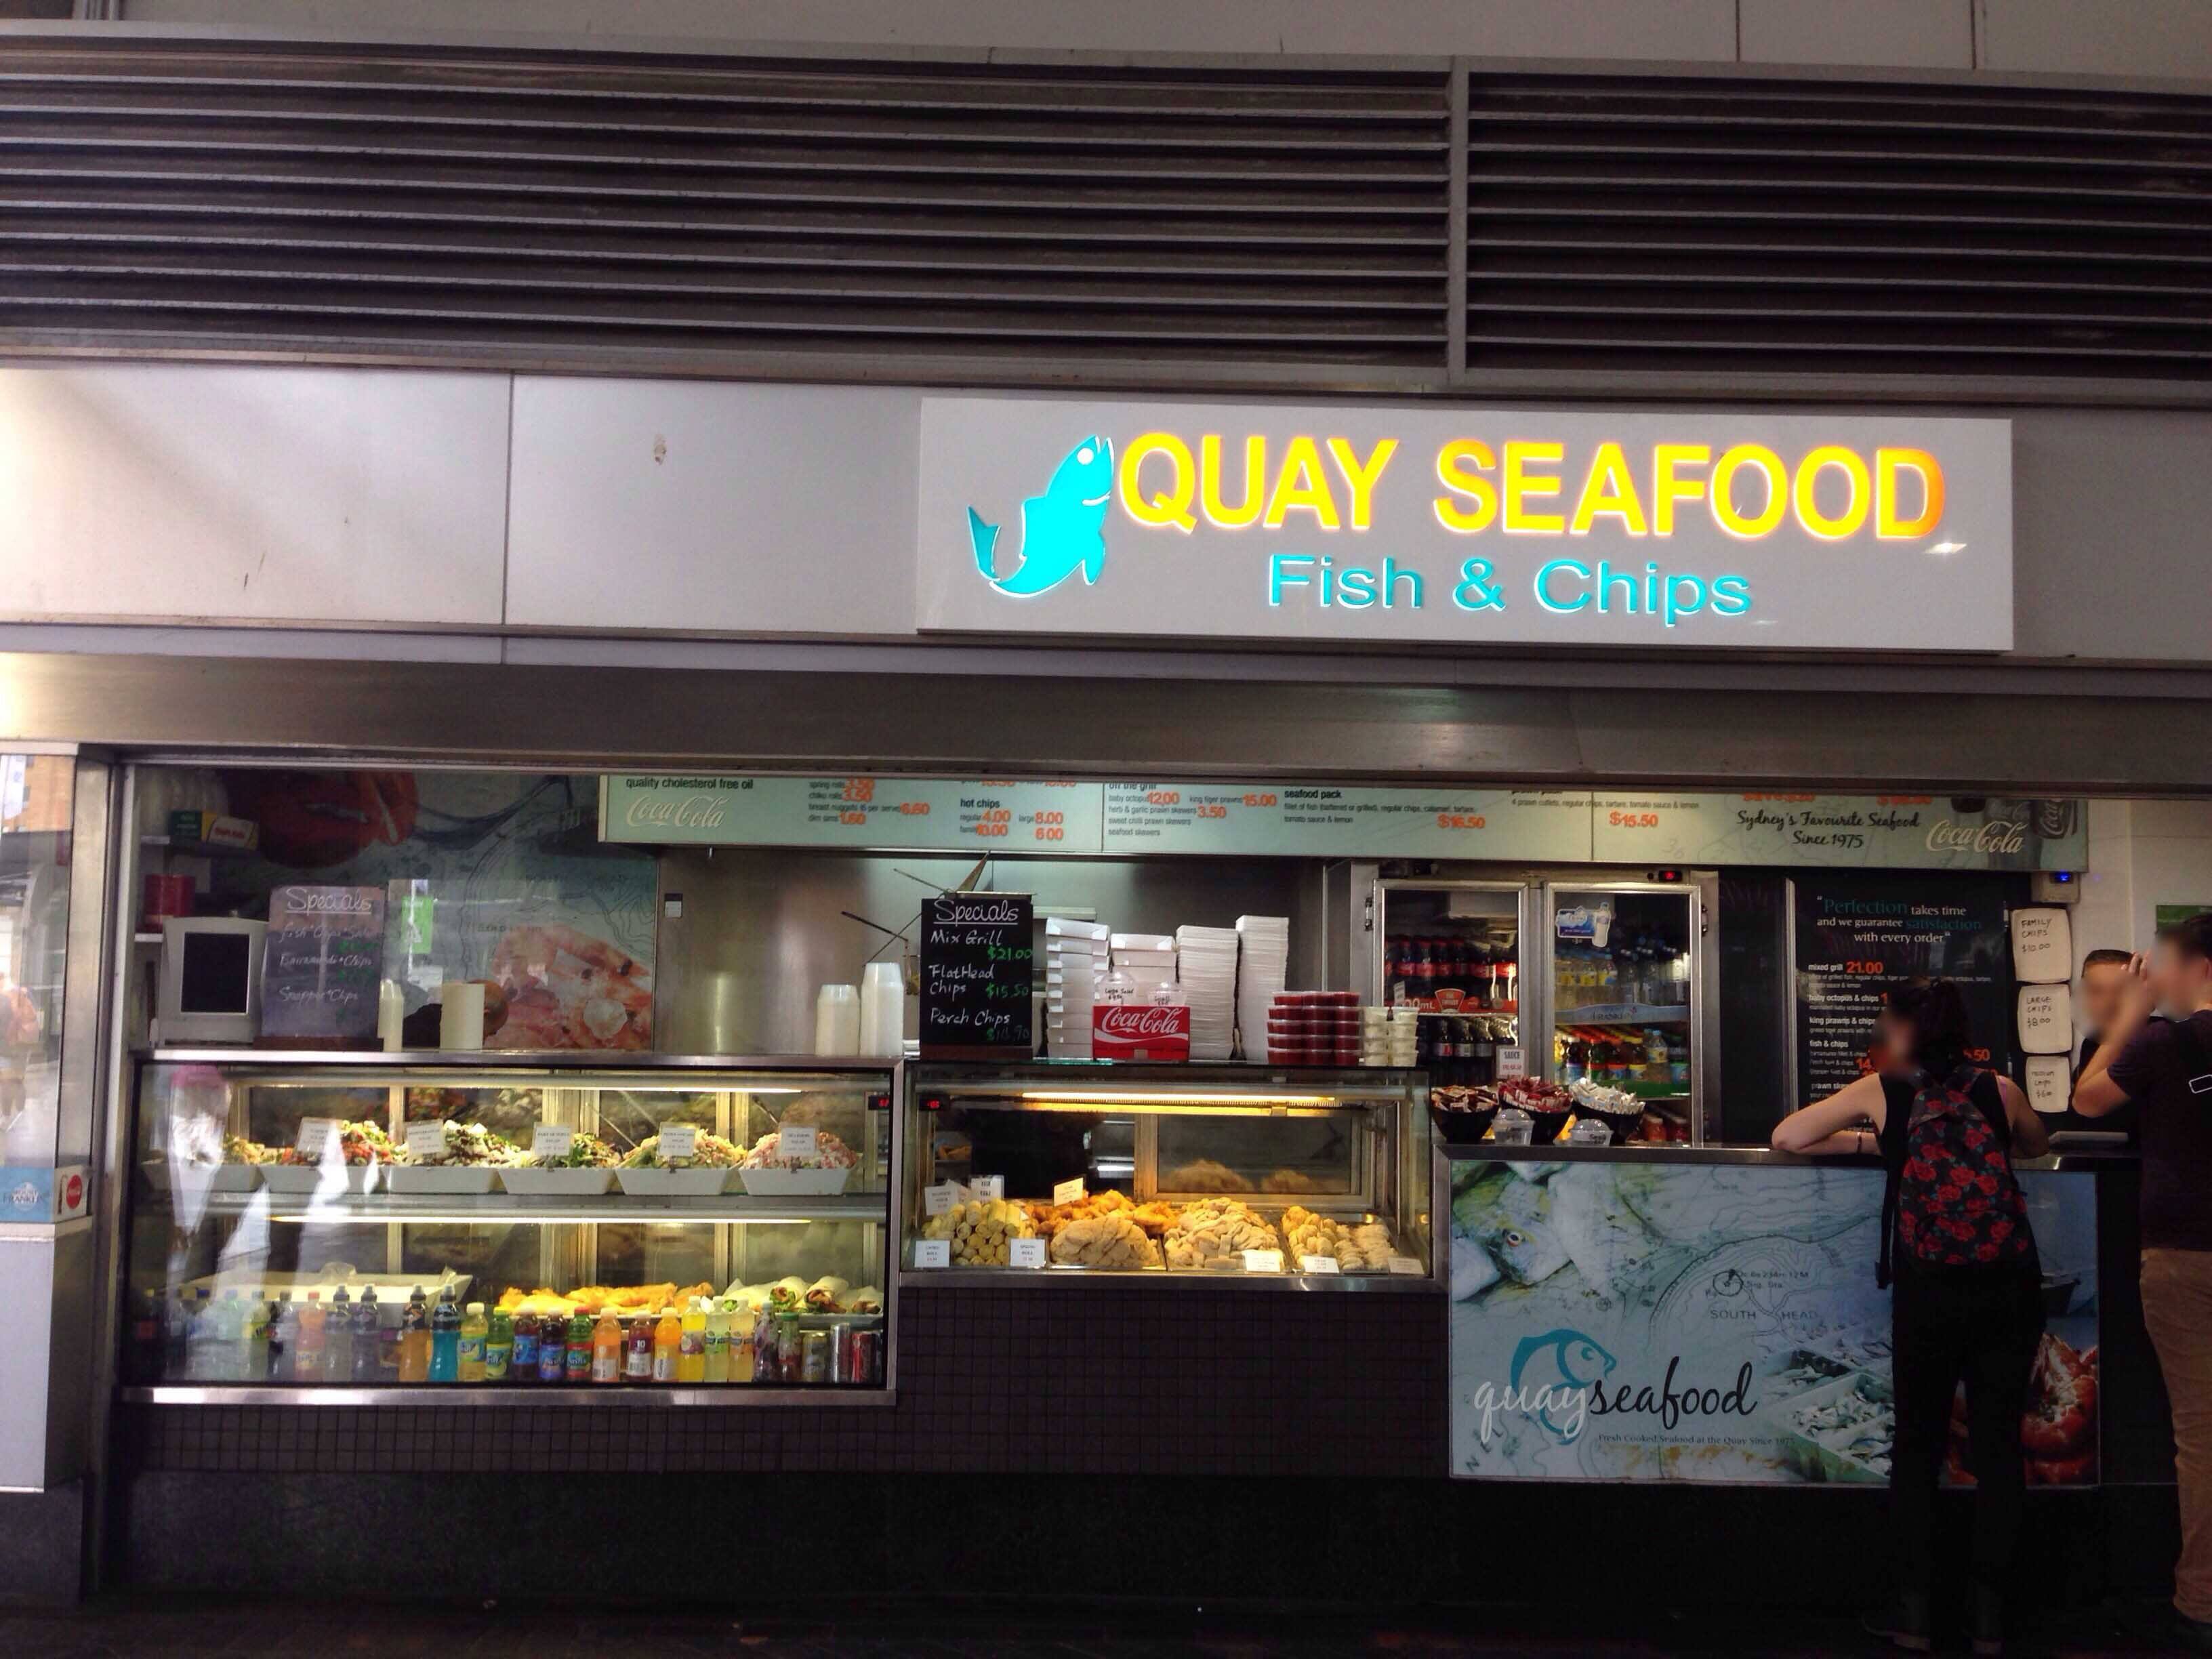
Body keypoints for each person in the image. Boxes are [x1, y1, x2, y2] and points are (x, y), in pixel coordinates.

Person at [1774, 982, 2048, 1656]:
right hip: (2006, 1290)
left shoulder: (1884, 1088)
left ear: (1903, 1030)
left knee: (1919, 1449)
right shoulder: (2001, 1089)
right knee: (1998, 1449)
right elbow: (2039, 1145)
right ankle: (1989, 1619)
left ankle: (1915, 1614)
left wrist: (1875, 1147)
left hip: (1929, 1293)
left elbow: (1789, 1136)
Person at [2073, 912, 2212, 1652]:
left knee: (2201, 1434)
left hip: (2187, 1257)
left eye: (2167, 963)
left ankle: (2201, 1601)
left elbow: (2088, 1097)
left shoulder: (2163, 1041)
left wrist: (2130, 1011)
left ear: (2197, 967)